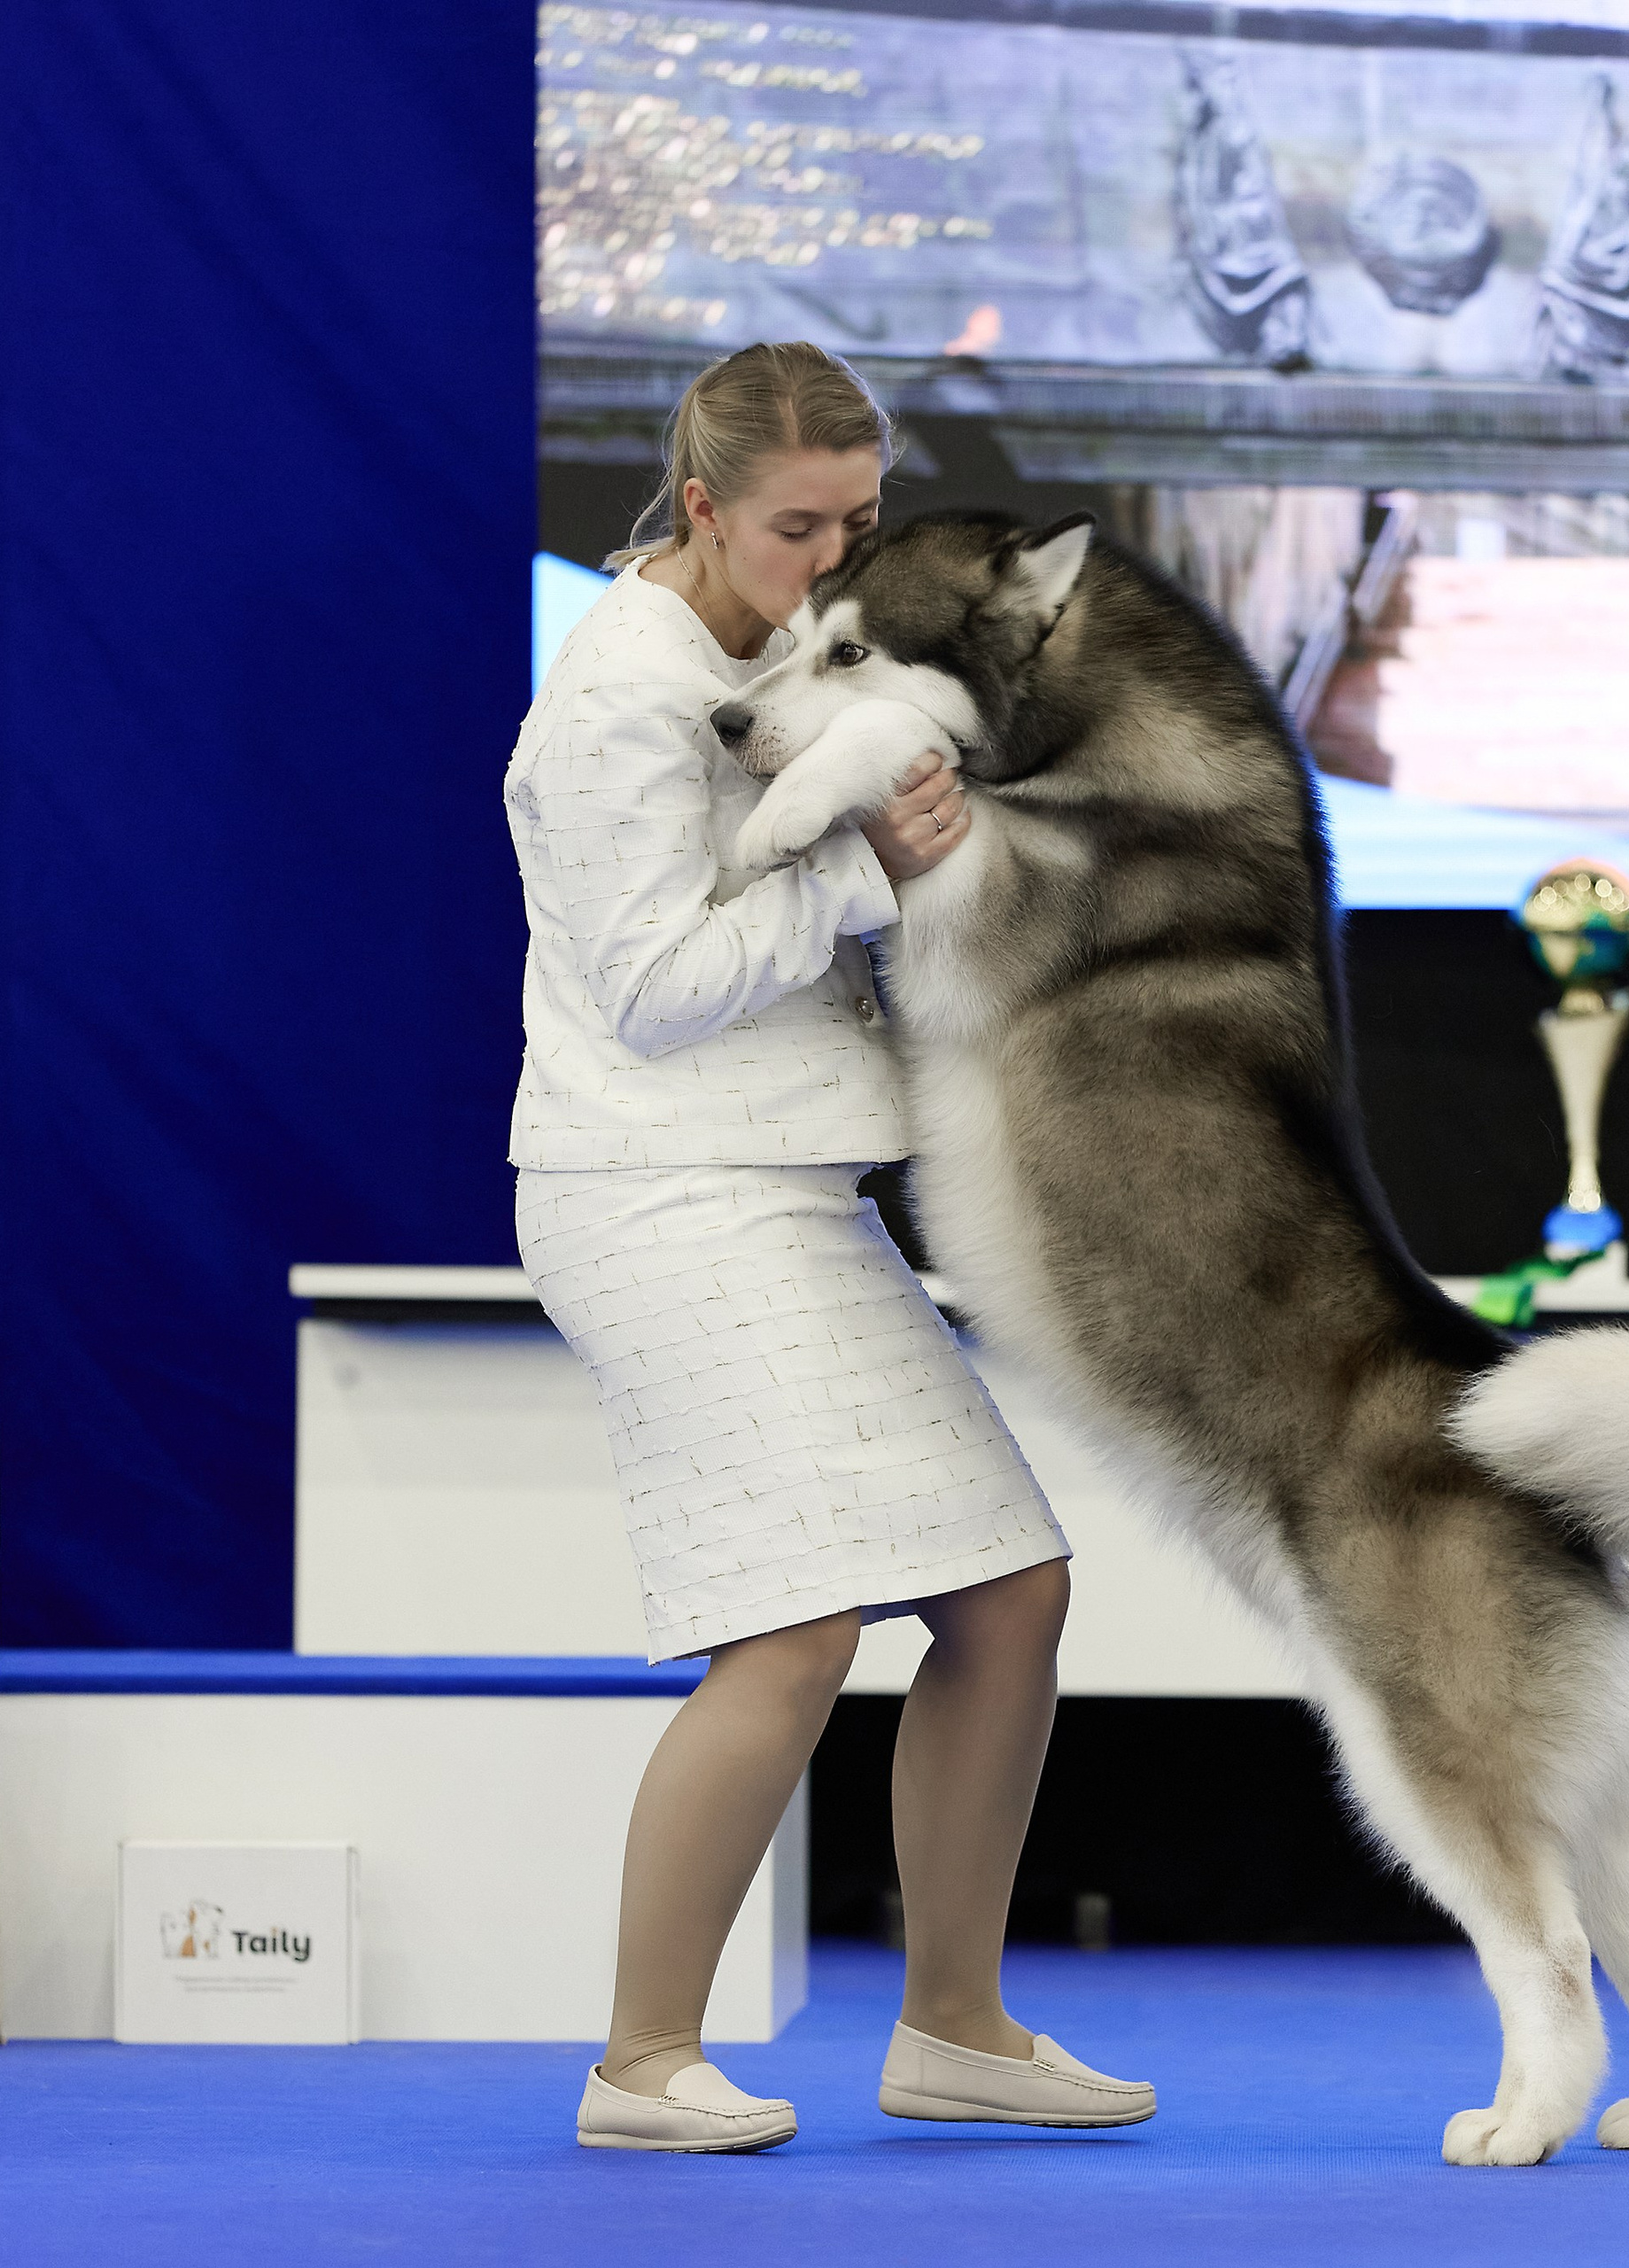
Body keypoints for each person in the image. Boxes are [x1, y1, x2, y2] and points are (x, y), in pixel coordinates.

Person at [503, 341, 1154, 2152]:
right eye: (802, 524)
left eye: (863, 519)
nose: (836, 555)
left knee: (1009, 1596)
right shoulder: (611, 702)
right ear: (700, 506)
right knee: (790, 1632)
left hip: (783, 1183)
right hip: (652, 1185)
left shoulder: (788, 646)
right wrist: (863, 863)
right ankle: (638, 2061)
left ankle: (952, 2023)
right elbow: (646, 994)